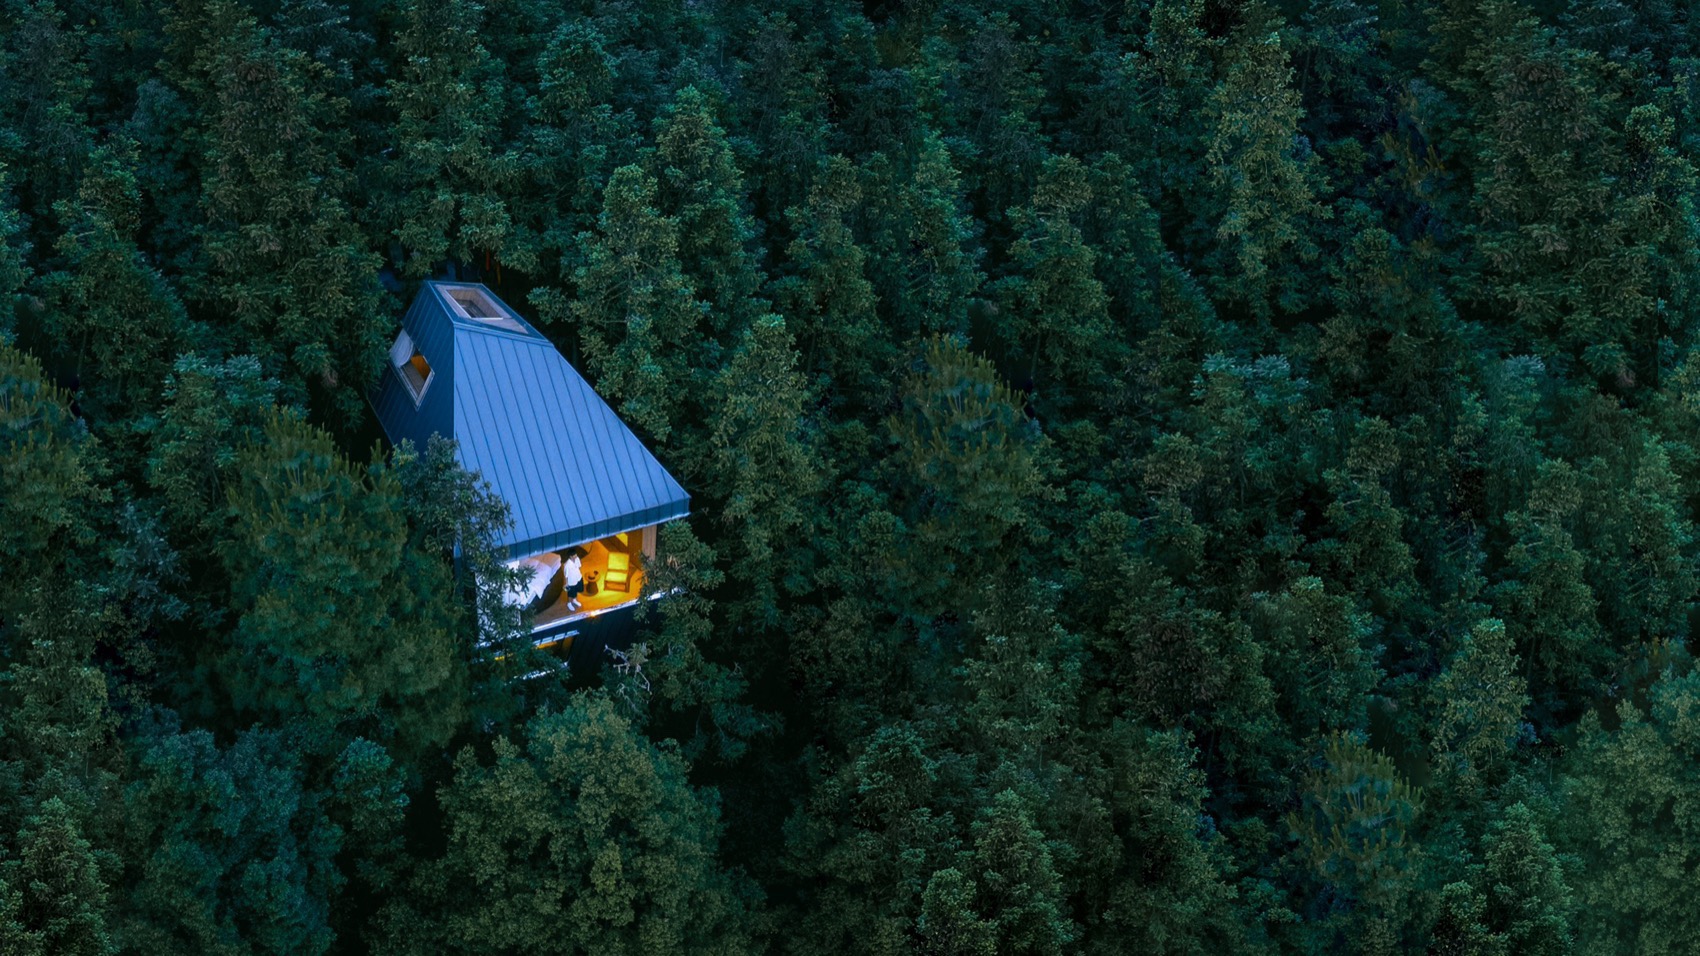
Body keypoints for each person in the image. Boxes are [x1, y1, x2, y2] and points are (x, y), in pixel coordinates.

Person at [562, 546, 587, 611]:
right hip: (571, 582)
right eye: (574, 555)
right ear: (570, 556)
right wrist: (566, 584)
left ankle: (574, 600)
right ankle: (569, 603)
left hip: (578, 578)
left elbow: (579, 567)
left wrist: (579, 575)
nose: (576, 555)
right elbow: (566, 575)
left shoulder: (577, 559)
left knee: (577, 590)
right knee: (571, 593)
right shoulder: (567, 565)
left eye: (576, 554)